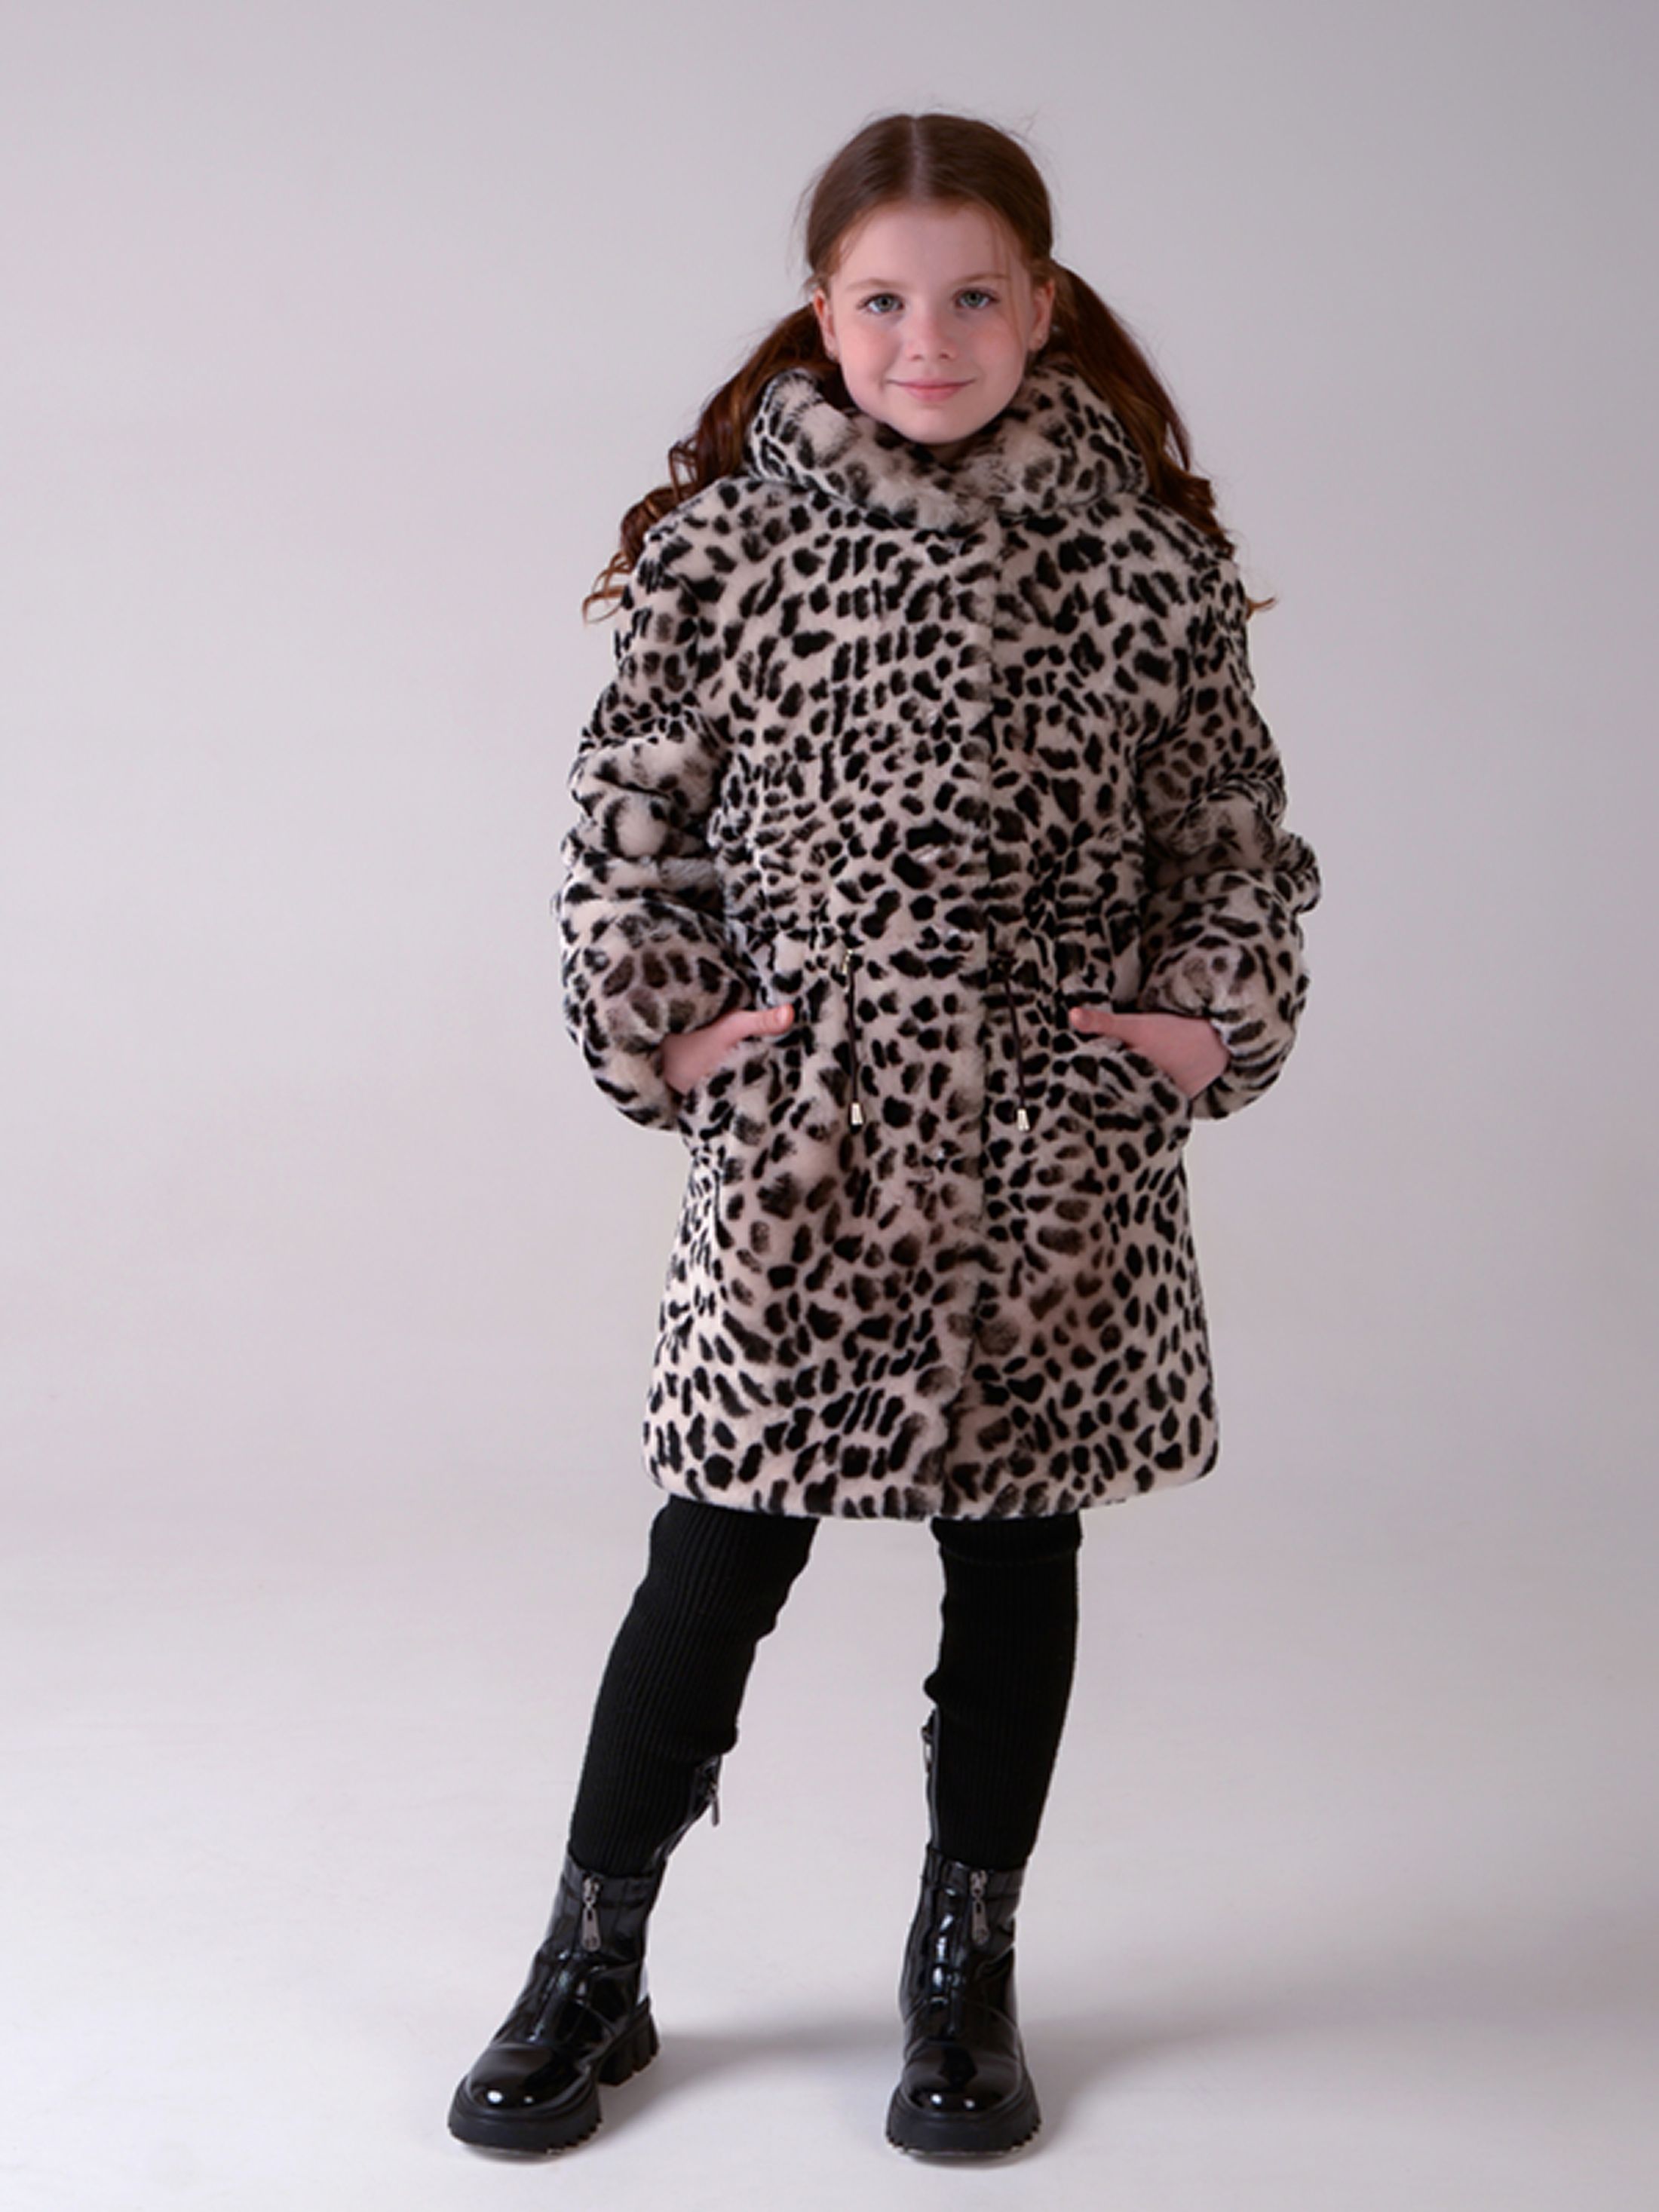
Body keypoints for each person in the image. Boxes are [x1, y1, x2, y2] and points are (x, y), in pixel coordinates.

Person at [447, 109, 1320, 2161]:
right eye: (885, 301)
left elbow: (1233, 835)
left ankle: (966, 1965)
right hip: (810, 1153)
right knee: (711, 1560)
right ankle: (592, 1956)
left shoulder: (1147, 567)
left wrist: (1196, 1025)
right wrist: (676, 1032)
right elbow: (627, 824)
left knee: (1015, 1567)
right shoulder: (728, 555)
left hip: (1053, 1156)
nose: (930, 341)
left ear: (1044, 304)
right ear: (824, 313)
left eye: (973, 296)